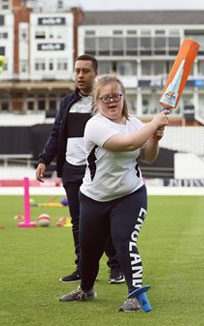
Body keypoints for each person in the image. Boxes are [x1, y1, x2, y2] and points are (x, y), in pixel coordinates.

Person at [59, 75, 168, 312]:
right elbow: (127, 144)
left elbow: (147, 156)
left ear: (123, 97)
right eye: (105, 97)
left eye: (116, 96)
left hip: (130, 194)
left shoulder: (136, 124)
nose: (111, 101)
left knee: (124, 240)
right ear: (97, 101)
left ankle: (135, 295)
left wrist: (154, 140)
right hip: (93, 198)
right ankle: (86, 290)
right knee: (89, 251)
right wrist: (153, 124)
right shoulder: (95, 125)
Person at [36, 54, 123, 284]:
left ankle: (116, 267)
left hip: (97, 171)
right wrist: (44, 160)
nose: (80, 75)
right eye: (77, 71)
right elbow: (56, 134)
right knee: (78, 223)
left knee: (101, 222)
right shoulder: (67, 102)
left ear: (96, 74)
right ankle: (82, 268)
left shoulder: (103, 103)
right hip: (71, 170)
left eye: (85, 71)